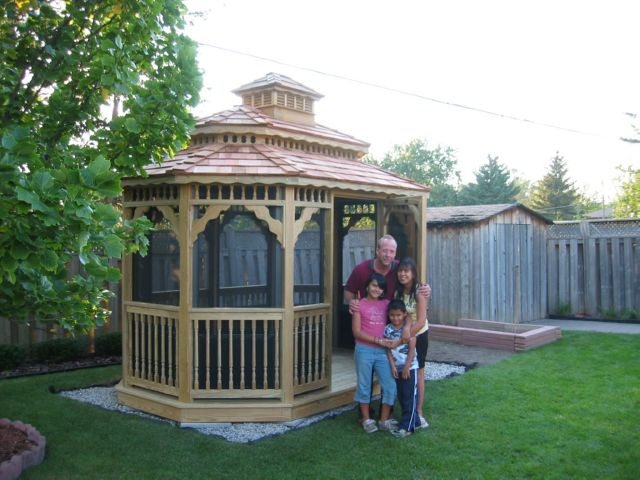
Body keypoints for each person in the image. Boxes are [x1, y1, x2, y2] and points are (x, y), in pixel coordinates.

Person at [351, 272, 398, 433]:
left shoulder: (387, 304)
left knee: (390, 385)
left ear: (384, 290)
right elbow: (356, 332)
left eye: (380, 287)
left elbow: (401, 315)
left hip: (382, 352)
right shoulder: (359, 305)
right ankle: (366, 420)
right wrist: (378, 340)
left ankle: (384, 420)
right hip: (364, 350)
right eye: (374, 285)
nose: (377, 289)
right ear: (367, 286)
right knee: (364, 385)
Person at [395, 257, 430, 429]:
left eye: (406, 271)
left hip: (419, 335)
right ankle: (407, 409)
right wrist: (404, 335)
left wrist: (408, 337)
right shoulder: (398, 290)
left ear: (413, 273)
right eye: (400, 270)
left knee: (419, 373)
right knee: (403, 370)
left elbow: (422, 319)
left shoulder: (419, 291)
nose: (402, 274)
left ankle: (419, 412)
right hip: (405, 334)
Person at [384, 299, 419, 438]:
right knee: (402, 396)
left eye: (398, 315)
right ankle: (413, 421)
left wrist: (406, 367)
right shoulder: (387, 329)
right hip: (397, 369)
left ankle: (407, 427)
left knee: (409, 396)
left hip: (409, 368)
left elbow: (412, 349)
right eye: (392, 315)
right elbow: (387, 350)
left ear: (404, 314)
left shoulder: (408, 329)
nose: (396, 318)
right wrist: (393, 366)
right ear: (389, 315)